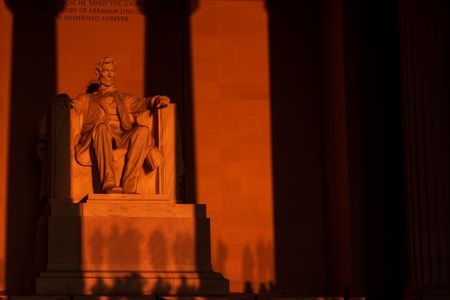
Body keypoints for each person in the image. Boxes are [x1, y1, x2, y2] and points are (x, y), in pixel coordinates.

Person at [60, 56, 170, 193]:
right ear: (98, 73)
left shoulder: (124, 98)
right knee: (102, 127)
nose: (110, 74)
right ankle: (108, 183)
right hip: (98, 136)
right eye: (106, 71)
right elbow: (72, 104)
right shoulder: (87, 98)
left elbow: (143, 103)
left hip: (120, 137)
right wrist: (63, 100)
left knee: (142, 131)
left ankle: (129, 186)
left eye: (112, 71)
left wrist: (156, 99)